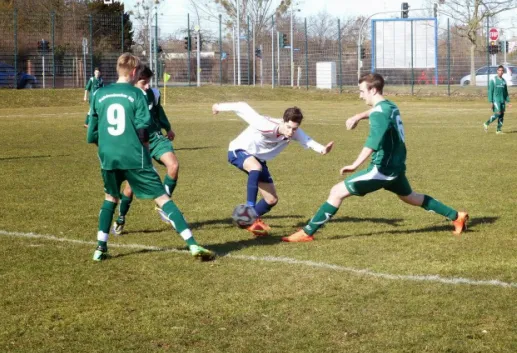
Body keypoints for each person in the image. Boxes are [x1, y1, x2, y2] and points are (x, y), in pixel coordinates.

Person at [282, 73, 469, 242]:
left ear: (373, 89)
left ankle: (307, 232)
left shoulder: (379, 115)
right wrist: (357, 116)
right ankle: (456, 216)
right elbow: (376, 112)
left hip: (382, 169)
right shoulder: (390, 106)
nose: (360, 95)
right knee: (410, 197)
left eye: (362, 91)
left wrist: (354, 165)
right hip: (396, 166)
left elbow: (372, 143)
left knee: (337, 191)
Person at [87, 53, 214, 261]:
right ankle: (192, 244)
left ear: (118, 69)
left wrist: (106, 149)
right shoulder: (137, 95)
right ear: (135, 72)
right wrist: (145, 153)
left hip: (108, 157)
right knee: (163, 198)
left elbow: (91, 134)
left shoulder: (99, 94)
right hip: (135, 156)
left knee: (110, 198)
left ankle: (100, 248)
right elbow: (143, 132)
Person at [212, 102, 334, 236]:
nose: (291, 131)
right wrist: (218, 107)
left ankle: (246, 221)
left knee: (271, 199)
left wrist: (323, 149)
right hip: (239, 150)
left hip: (258, 159)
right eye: (288, 127)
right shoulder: (264, 124)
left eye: (294, 129)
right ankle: (250, 208)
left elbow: (308, 141)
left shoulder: (294, 132)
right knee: (255, 167)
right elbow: (242, 106)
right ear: (283, 121)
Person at [112, 65, 179, 234]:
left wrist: (167, 128)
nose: (147, 86)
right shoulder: (126, 96)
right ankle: (120, 218)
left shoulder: (153, 93)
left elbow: (158, 111)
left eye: (149, 82)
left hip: (155, 138)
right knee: (130, 187)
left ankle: (163, 204)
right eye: (144, 82)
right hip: (137, 143)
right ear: (134, 80)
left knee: (173, 166)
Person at [483, 65, 512, 135]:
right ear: (497, 71)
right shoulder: (493, 80)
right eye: (499, 70)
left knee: (502, 114)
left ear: (503, 72)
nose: (501, 72)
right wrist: (491, 101)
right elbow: (490, 91)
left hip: (502, 100)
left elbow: (506, 92)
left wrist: (508, 101)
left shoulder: (504, 81)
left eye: (502, 70)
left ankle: (498, 130)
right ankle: (486, 123)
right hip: (496, 100)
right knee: (498, 113)